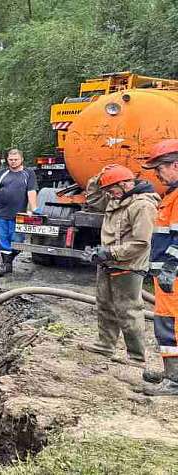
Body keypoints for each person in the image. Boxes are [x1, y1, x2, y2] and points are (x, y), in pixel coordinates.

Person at [78, 165, 158, 368]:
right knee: (105, 304)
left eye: (111, 189)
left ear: (124, 185)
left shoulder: (142, 206)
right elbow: (93, 198)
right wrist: (100, 175)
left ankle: (136, 357)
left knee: (128, 310)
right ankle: (105, 345)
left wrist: (111, 252)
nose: (108, 194)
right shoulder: (115, 199)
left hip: (128, 264)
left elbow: (141, 243)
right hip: (109, 261)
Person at [141, 139, 178, 396]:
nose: (157, 174)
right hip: (166, 275)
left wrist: (171, 265)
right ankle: (171, 374)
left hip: (172, 276)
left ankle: (174, 380)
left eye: (160, 168)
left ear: (175, 165)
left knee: (170, 325)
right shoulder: (172, 196)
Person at [0, 149, 38, 276]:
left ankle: (8, 260)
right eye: (11, 160)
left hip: (19, 214)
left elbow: (31, 191)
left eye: (16, 159)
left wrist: (34, 208)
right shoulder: (1, 173)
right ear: (7, 160)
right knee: (3, 239)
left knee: (17, 240)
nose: (13, 162)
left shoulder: (28, 174)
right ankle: (7, 265)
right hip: (0, 212)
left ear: (21, 159)